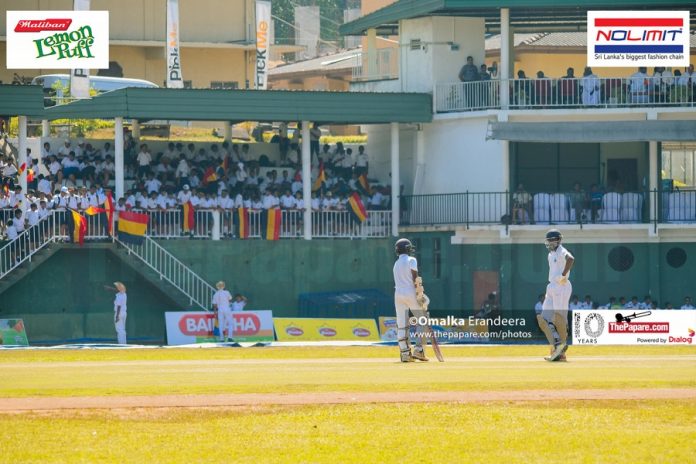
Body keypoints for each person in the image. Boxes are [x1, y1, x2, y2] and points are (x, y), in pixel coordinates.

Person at [539, 229, 574, 362]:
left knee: (559, 318)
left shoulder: (561, 250)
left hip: (561, 285)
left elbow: (571, 259)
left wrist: (563, 275)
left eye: (552, 240)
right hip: (551, 286)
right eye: (548, 240)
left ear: (558, 240)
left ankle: (561, 352)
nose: (549, 243)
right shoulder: (550, 254)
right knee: (544, 318)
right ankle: (557, 349)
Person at [393, 238, 428, 363]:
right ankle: (419, 350)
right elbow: (415, 278)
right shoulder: (411, 260)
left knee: (401, 324)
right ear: (408, 248)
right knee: (422, 320)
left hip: (398, 294)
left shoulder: (396, 264)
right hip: (410, 292)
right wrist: (420, 293)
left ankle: (405, 353)